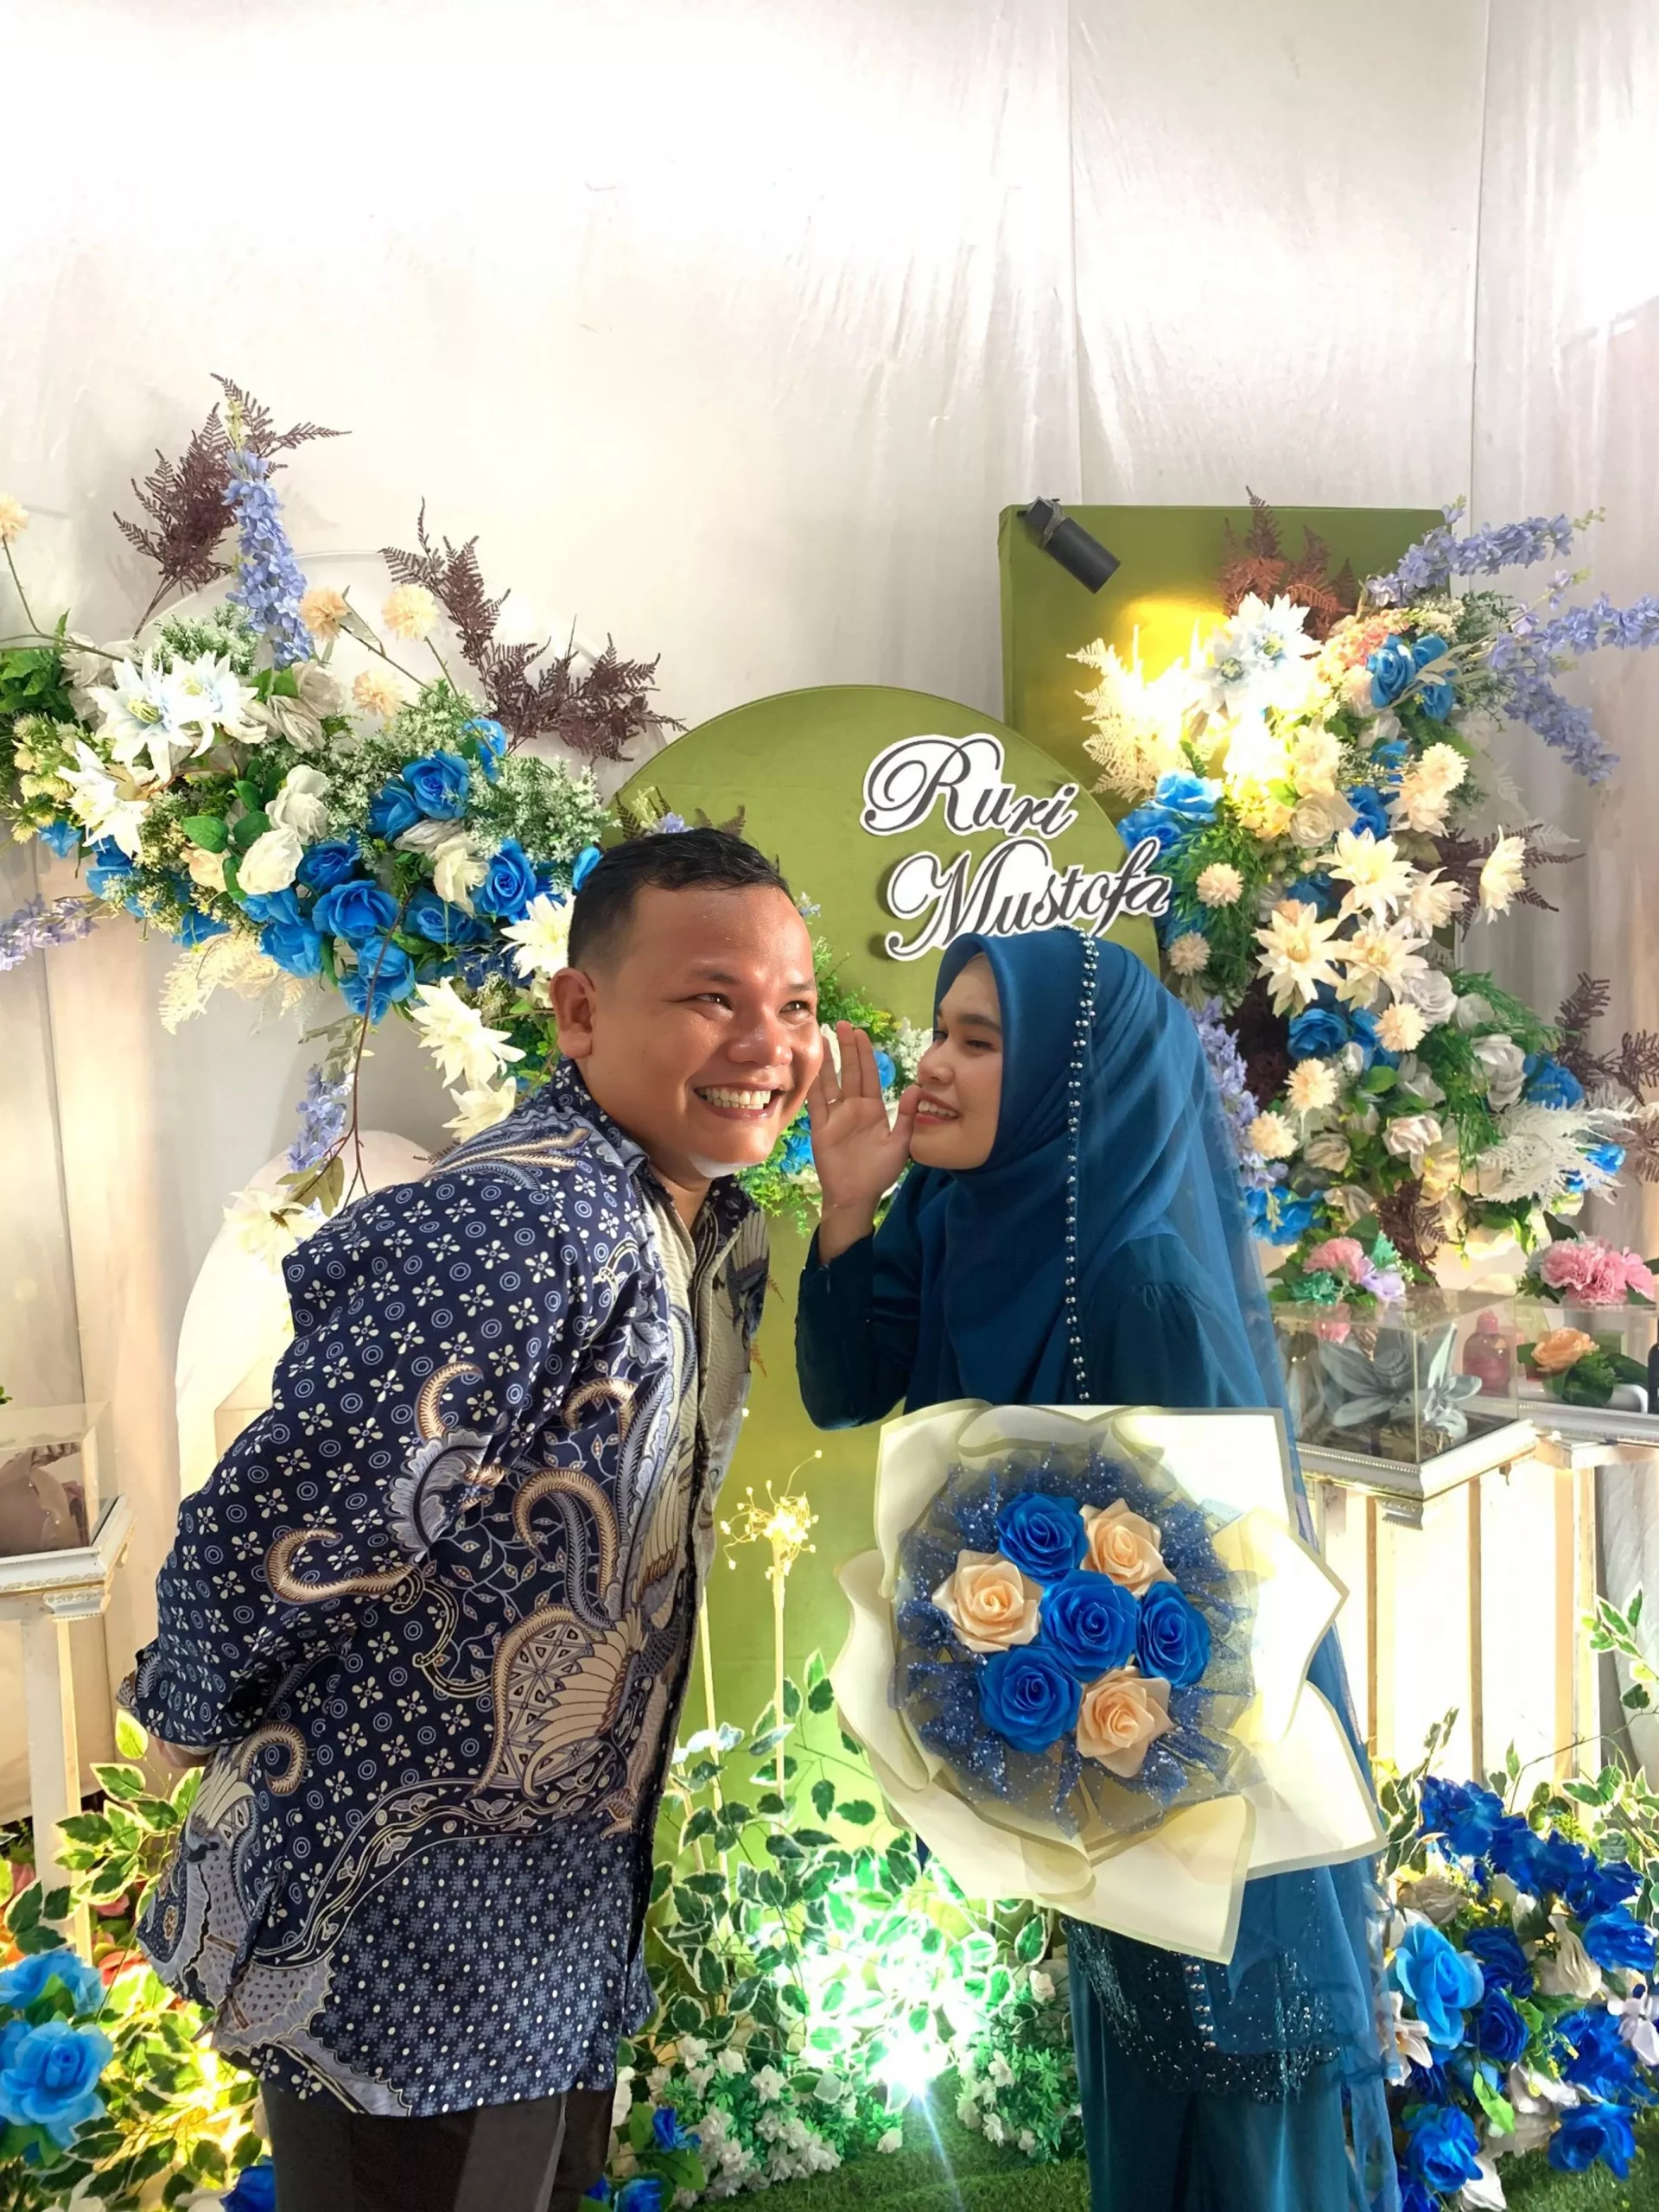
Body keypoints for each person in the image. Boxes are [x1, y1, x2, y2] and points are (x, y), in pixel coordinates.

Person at [124, 828, 823, 2212]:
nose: (767, 1043)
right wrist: (184, 1711)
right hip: (399, 1940)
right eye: (712, 997)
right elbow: (286, 1514)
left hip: (541, 1920)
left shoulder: (696, 1224)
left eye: (792, 1004)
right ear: (579, 1010)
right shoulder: (520, 1223)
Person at [795, 927, 1395, 2212]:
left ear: (1074, 1083)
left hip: (1200, 1771)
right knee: (1139, 2058)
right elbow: (847, 1388)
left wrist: (1121, 1733)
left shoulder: (1143, 1286)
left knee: (1235, 2069)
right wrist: (848, 1207)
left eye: (978, 1041)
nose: (932, 1066)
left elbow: (1229, 1584)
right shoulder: (956, 1213)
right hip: (1092, 1766)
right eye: (940, 1032)